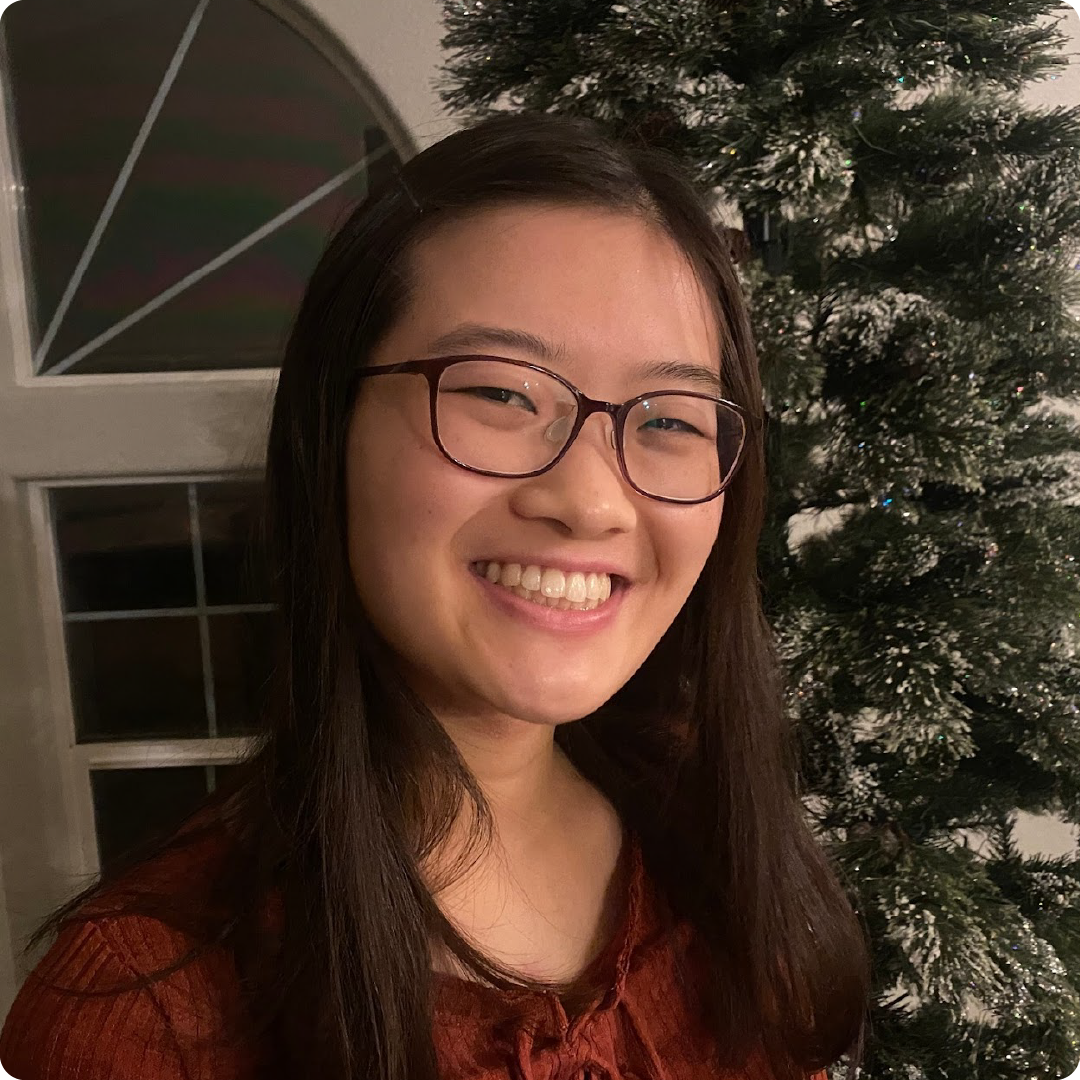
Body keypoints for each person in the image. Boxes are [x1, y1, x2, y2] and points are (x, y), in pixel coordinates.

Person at [0, 110, 871, 1080]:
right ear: (331, 435)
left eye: (668, 418)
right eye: (499, 394)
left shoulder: (709, 842)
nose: (589, 500)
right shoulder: (146, 1013)